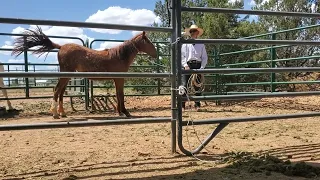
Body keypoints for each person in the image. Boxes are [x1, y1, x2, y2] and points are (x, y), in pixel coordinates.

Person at [181, 24, 208, 110]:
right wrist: (185, 65)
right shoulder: (185, 44)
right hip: (188, 65)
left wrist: (202, 68)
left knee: (197, 85)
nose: (193, 32)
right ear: (190, 33)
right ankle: (182, 105)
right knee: (184, 85)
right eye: (191, 31)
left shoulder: (201, 44)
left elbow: (204, 57)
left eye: (194, 31)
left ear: (197, 32)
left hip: (198, 65)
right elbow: (182, 56)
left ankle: (197, 104)